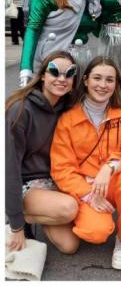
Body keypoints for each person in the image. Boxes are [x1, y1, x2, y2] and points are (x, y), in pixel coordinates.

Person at [50, 56, 121, 270]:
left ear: (116, 84)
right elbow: (61, 168)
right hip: (86, 188)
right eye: (97, 78)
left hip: (114, 181)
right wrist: (87, 194)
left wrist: (110, 167)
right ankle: (78, 212)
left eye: (109, 80)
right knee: (96, 232)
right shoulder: (67, 119)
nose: (103, 85)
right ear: (85, 80)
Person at [6, 51, 81, 254]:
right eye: (54, 72)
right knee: (69, 208)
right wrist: (17, 227)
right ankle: (17, 217)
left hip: (55, 181)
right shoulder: (20, 110)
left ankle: (34, 214)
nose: (61, 79)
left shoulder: (69, 108)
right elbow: (9, 170)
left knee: (70, 246)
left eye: (69, 74)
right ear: (42, 75)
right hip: (24, 184)